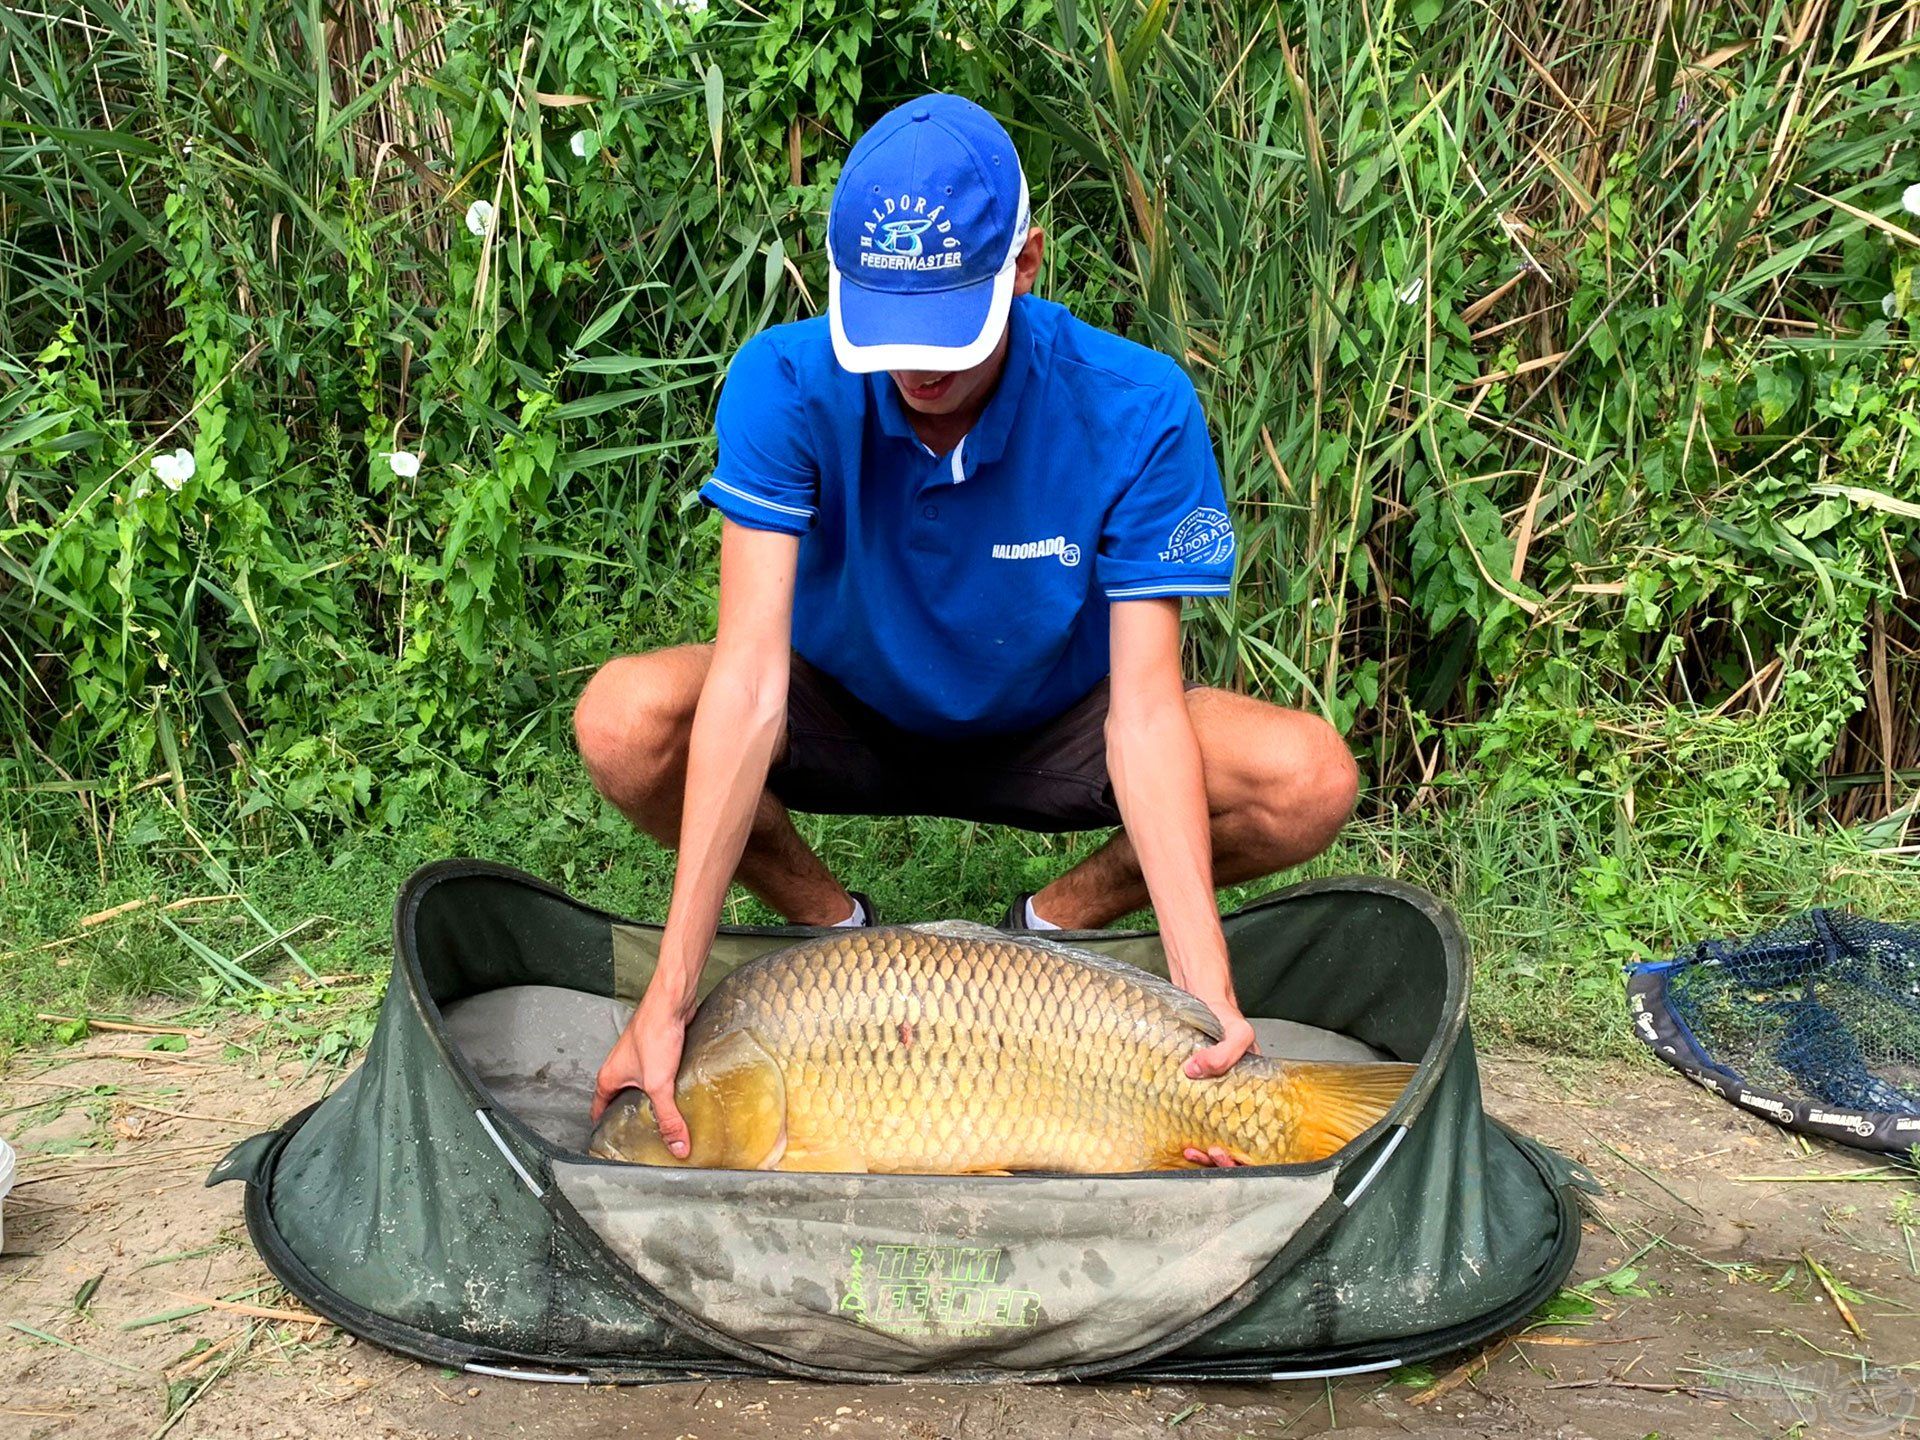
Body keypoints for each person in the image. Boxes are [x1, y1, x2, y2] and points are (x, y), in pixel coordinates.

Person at [575, 94, 1357, 1166]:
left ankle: (1053, 928)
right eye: (889, 331)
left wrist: (1200, 990)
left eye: (950, 329)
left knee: (1307, 774)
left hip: (1055, 725)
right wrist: (669, 999)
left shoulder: (1138, 405)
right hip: (844, 710)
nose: (919, 367)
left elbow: (1142, 716)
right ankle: (831, 925)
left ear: (1025, 264)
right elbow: (751, 686)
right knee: (625, 718)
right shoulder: (783, 384)